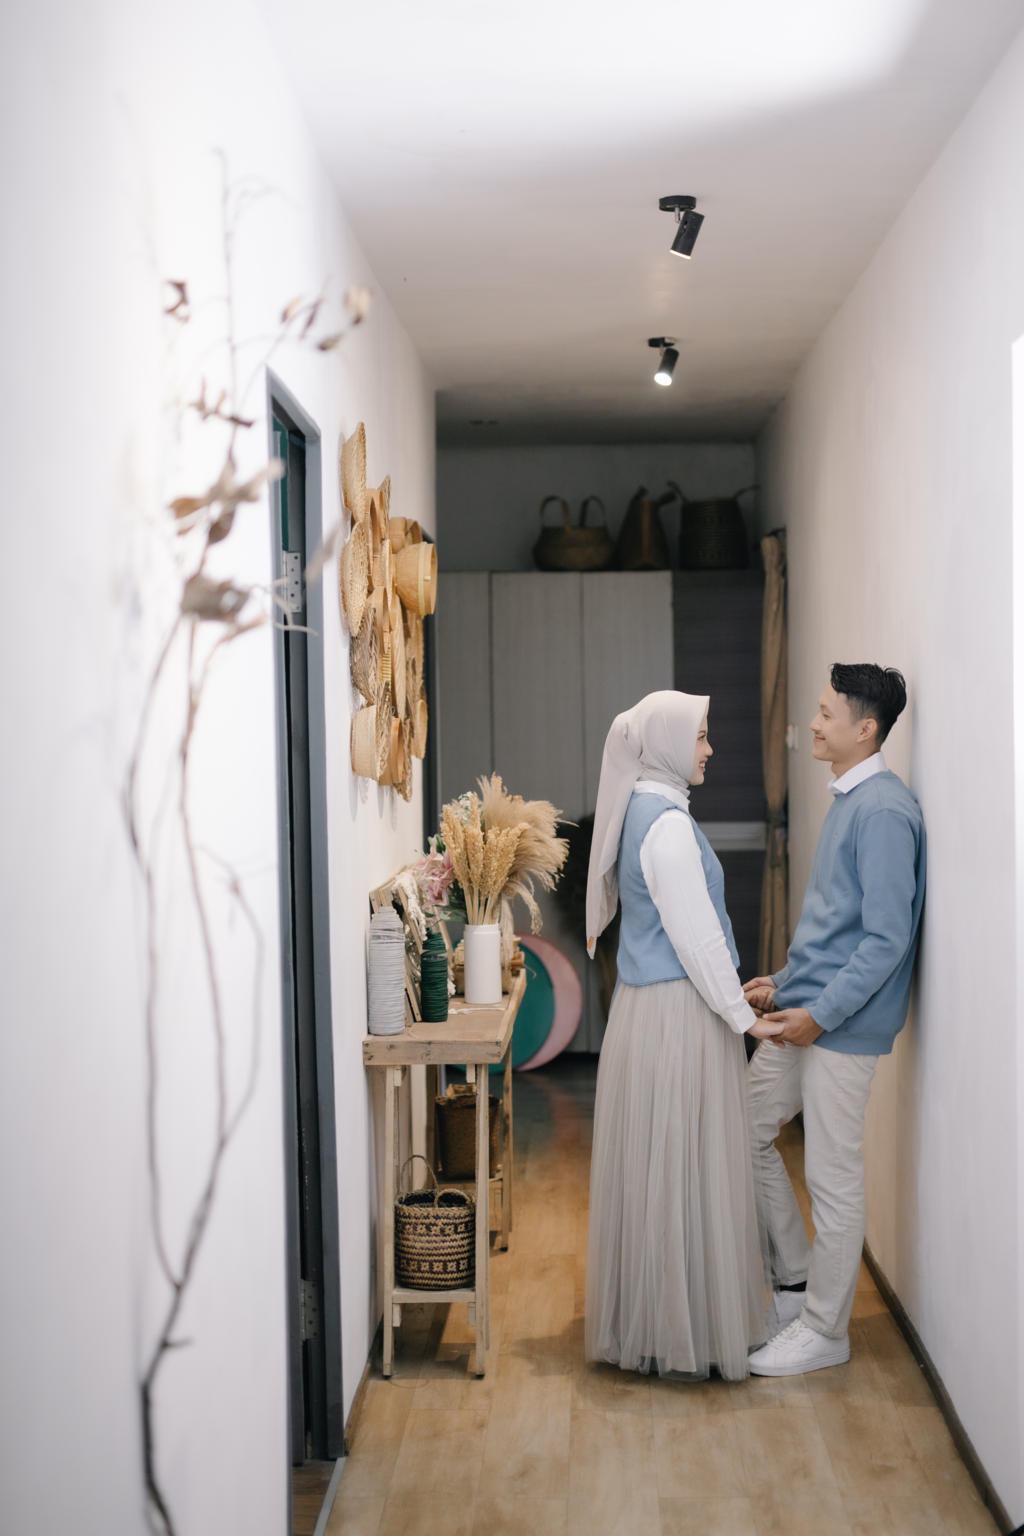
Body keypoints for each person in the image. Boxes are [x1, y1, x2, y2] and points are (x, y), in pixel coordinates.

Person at [583, 690, 784, 1381]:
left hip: (652, 1008)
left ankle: (659, 1322)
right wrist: (743, 1016)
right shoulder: (665, 825)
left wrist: (735, 1001)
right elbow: (697, 941)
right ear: (668, 742)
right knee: (684, 1167)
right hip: (679, 1012)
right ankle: (683, 1330)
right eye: (699, 736)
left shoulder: (646, 809)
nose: (709, 749)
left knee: (664, 1170)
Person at [743, 663, 926, 1377]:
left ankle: (825, 1330)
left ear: (866, 728)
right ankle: (796, 1284)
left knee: (833, 1178)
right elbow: (837, 929)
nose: (813, 725)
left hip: (840, 1028)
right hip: (807, 1011)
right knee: (745, 1130)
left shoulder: (882, 812)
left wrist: (818, 1015)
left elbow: (885, 940)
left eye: (826, 714)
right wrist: (783, 983)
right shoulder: (852, 798)